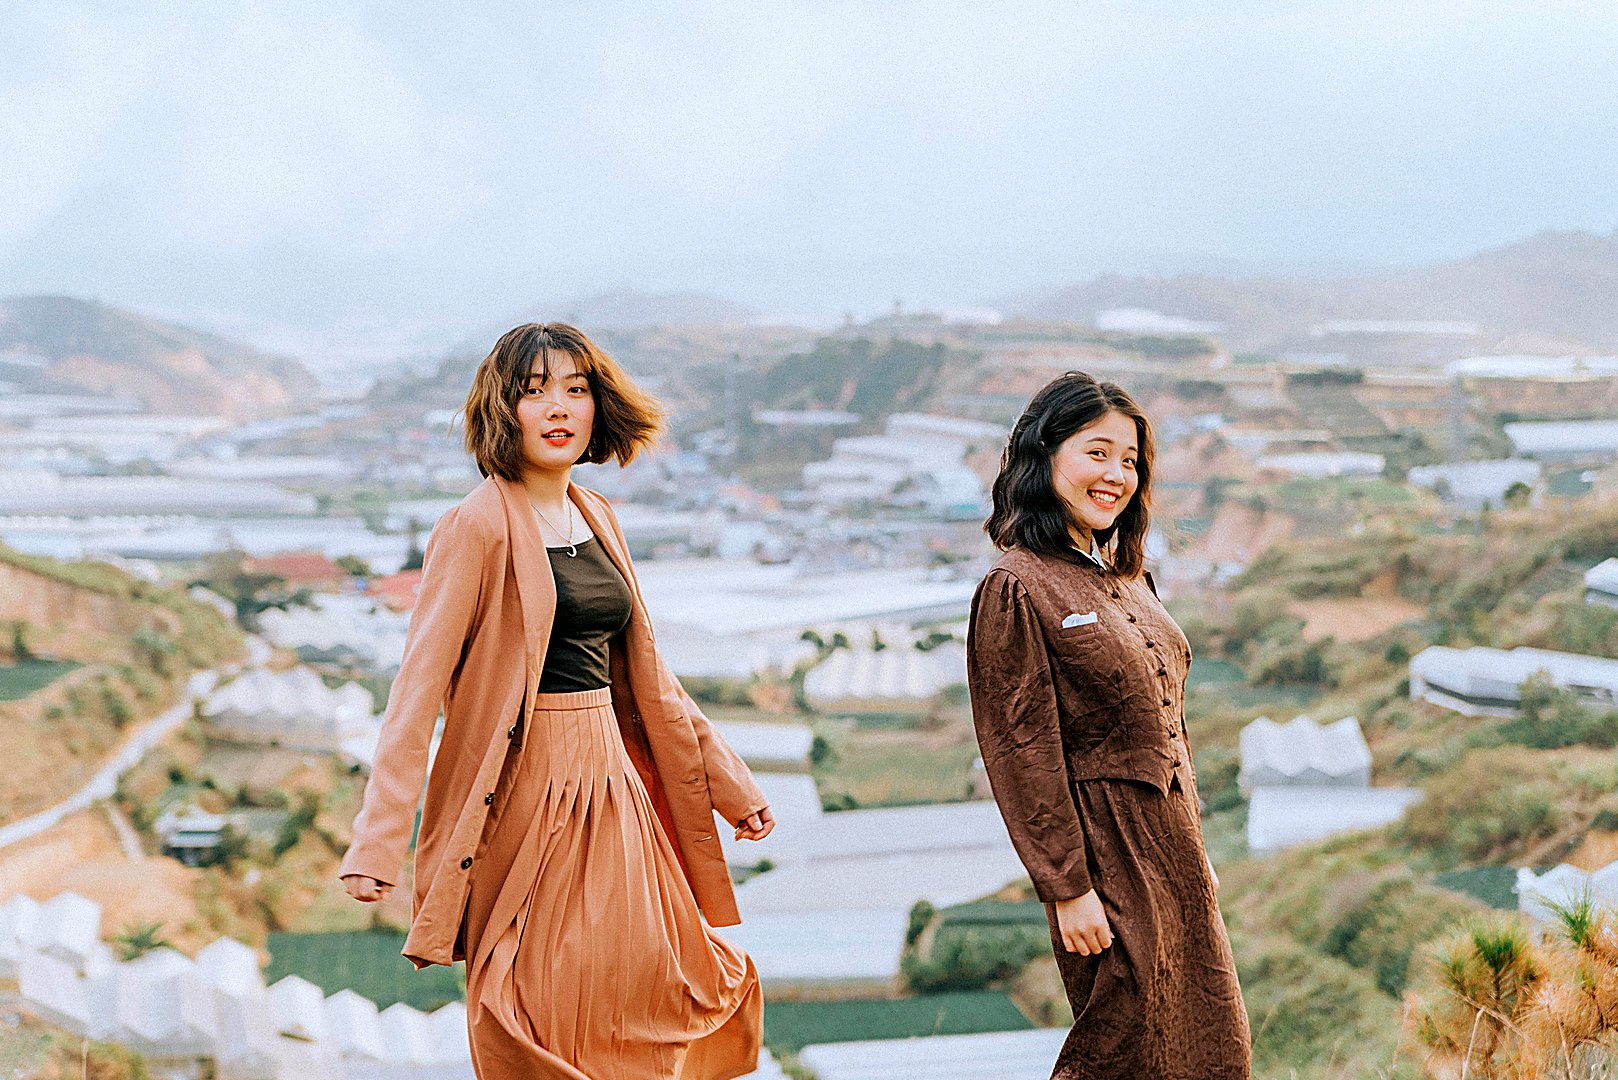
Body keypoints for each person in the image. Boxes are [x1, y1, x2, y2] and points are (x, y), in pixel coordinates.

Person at [338, 322, 775, 1080]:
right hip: (526, 798)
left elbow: (650, 679)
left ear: (599, 409)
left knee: (637, 991)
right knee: (539, 998)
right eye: (535, 391)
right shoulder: (473, 527)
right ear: (502, 410)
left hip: (613, 792)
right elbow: (416, 695)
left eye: (576, 389)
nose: (558, 407)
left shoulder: (600, 517)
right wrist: (377, 843)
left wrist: (731, 786)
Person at [966, 372, 1250, 1079]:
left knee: (1213, 1041)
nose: (1116, 474)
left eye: (1129, 460)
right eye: (1097, 453)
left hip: (1175, 846)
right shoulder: (1016, 585)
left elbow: (1170, 727)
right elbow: (1022, 749)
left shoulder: (1131, 579)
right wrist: (1066, 887)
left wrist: (1196, 846)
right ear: (1045, 452)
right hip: (1103, 851)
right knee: (1124, 1046)